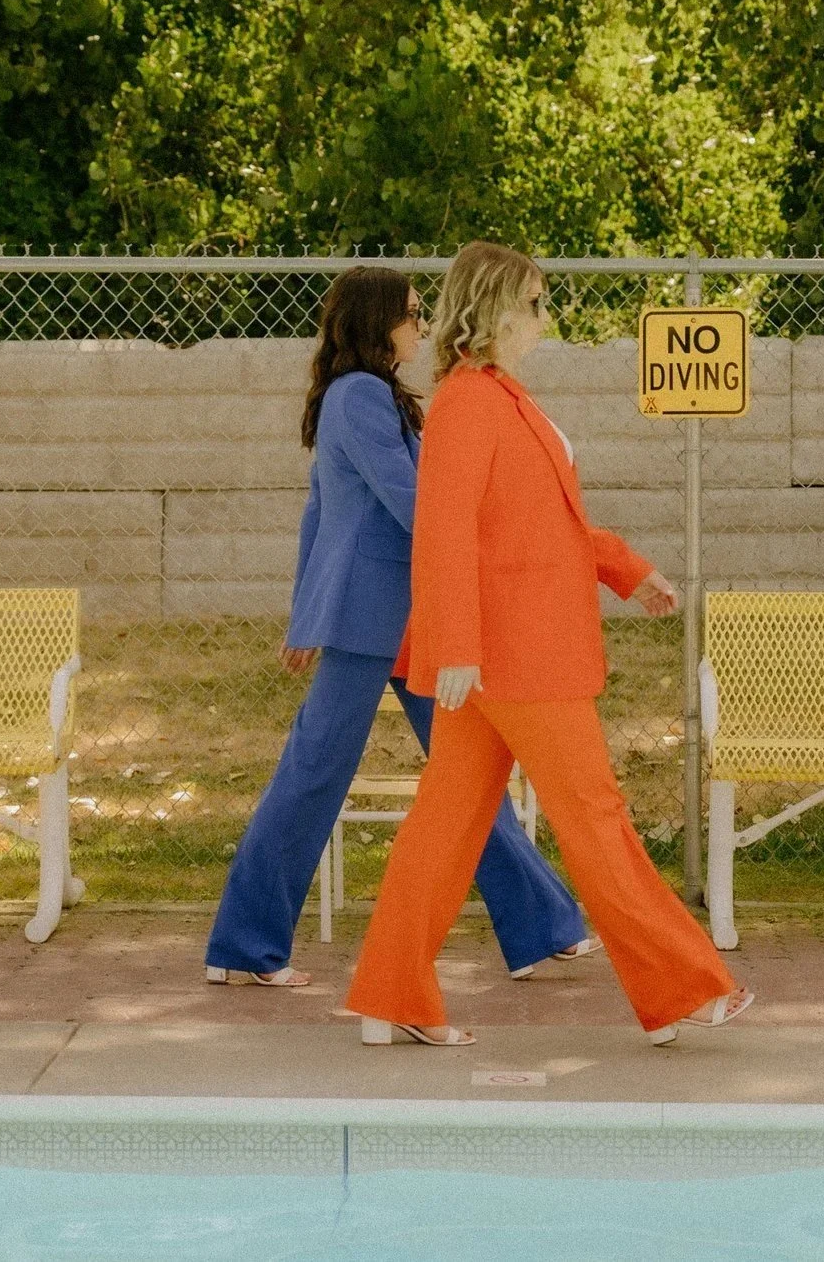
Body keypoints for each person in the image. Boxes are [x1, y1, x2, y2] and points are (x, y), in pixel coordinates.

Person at [345, 242, 754, 1047]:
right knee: (596, 818)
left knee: (447, 823)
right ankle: (680, 985)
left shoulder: (498, 396)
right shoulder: (469, 401)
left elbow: (542, 527)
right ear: (494, 309)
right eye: (533, 303)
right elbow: (444, 531)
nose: (544, 318)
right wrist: (457, 643)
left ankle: (389, 994)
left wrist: (627, 569)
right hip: (514, 659)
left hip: (503, 658)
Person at [203, 264, 595, 988]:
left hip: (409, 621)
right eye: (413, 313)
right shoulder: (360, 397)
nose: (424, 323)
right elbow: (417, 505)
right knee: (316, 772)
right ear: (378, 321)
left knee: (465, 775)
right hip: (371, 618)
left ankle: (543, 925)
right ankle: (244, 945)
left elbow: (325, 512)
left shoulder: (373, 396)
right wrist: (502, 539)